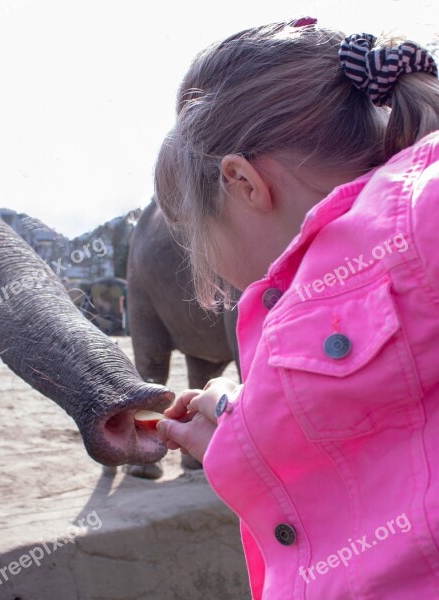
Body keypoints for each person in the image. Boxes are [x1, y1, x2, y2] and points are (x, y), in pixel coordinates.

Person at [153, 17, 439, 599]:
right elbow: (374, 433)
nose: (210, 264)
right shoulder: (311, 288)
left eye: (200, 233)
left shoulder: (415, 213)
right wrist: (238, 434)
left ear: (243, 183)